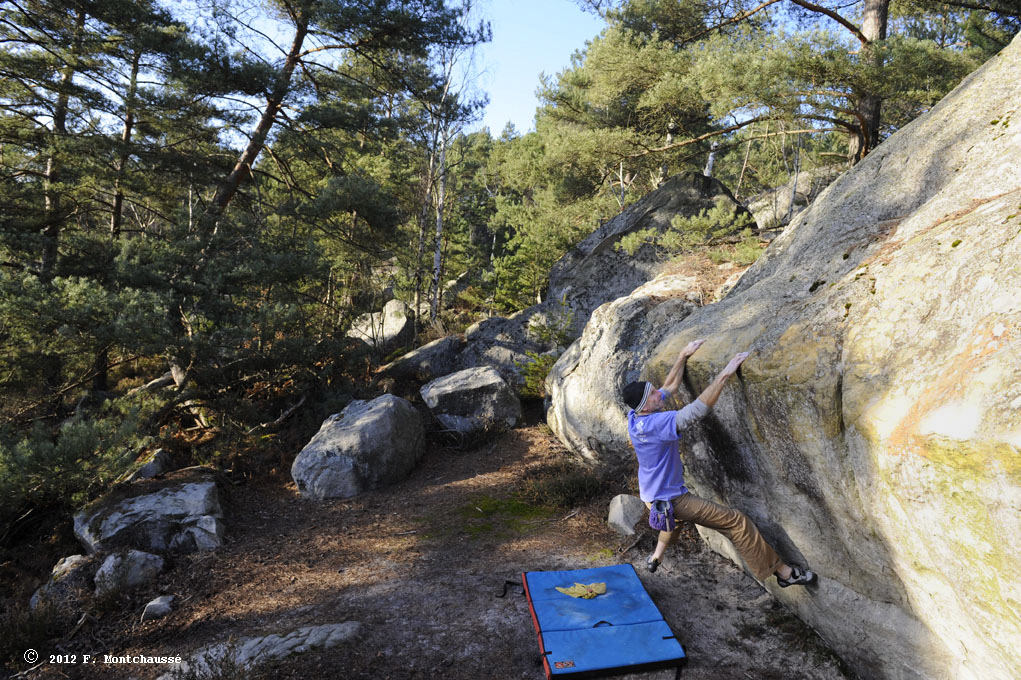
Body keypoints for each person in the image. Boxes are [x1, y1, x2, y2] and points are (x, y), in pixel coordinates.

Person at [622, 339, 815, 588]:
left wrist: (682, 355)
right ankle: (784, 573)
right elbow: (696, 411)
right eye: (654, 394)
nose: (659, 393)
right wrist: (724, 374)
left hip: (652, 495)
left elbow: (670, 386)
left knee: (674, 522)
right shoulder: (656, 424)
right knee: (736, 521)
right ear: (647, 406)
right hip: (672, 499)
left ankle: (656, 556)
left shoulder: (635, 416)